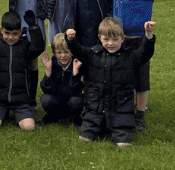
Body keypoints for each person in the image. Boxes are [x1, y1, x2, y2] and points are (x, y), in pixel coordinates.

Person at [101, 0, 166, 130]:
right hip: (120, 40)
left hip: (139, 41)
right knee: (120, 77)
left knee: (141, 81)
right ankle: (121, 108)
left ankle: (140, 115)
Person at [66, 18, 156, 147]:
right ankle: (99, 128)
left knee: (123, 144)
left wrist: (148, 35)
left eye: (115, 39)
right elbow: (78, 50)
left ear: (122, 39)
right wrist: (70, 39)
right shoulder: (92, 54)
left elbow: (145, 53)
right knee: (84, 139)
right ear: (99, 38)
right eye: (106, 39)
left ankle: (117, 131)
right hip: (96, 112)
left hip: (121, 112)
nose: (110, 43)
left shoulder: (130, 57)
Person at [0, 10, 46, 131]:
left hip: (20, 100)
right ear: (0, 29)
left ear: (20, 32)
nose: (10, 37)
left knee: (29, 127)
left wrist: (33, 27)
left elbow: (39, 47)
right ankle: (3, 113)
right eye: (7, 33)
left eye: (14, 34)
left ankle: (19, 115)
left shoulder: (25, 46)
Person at [39, 32, 84, 125]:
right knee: (45, 99)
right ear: (54, 53)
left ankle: (74, 118)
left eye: (66, 52)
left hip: (70, 100)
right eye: (59, 52)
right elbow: (46, 89)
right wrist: (48, 70)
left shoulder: (76, 63)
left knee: (77, 100)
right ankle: (52, 117)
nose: (63, 56)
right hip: (56, 100)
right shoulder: (52, 64)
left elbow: (77, 90)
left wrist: (75, 73)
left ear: (72, 52)